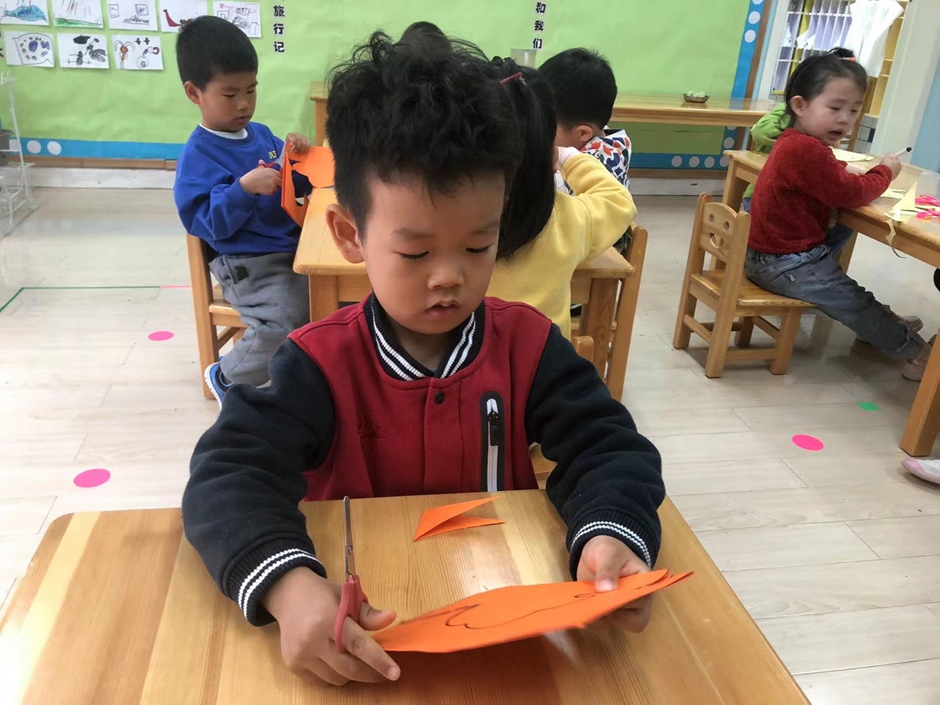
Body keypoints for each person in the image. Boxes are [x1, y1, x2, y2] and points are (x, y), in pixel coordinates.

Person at [182, 31, 664, 687]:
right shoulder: (319, 362)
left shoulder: (526, 345)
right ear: (350, 236)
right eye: (415, 252)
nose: (449, 277)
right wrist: (287, 585)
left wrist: (611, 533)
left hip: (502, 643)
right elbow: (226, 473)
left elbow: (609, 444)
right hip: (362, 643)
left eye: (479, 246)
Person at [745, 48, 931, 381]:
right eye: (835, 108)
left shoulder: (795, 141)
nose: (845, 119)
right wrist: (884, 172)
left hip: (773, 256)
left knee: (849, 267)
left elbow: (827, 178)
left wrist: (844, 173)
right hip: (786, 263)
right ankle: (917, 353)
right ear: (800, 105)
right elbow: (851, 194)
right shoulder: (805, 148)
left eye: (854, 110)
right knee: (855, 301)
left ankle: (882, 328)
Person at [174, 16, 312, 405]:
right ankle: (227, 376)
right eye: (230, 93)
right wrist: (243, 190)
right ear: (194, 92)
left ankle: (305, 373)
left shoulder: (262, 134)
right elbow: (204, 223)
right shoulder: (198, 154)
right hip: (248, 262)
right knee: (285, 320)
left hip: (290, 249)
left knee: (342, 298)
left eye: (251, 90)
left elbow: (296, 186)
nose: (244, 103)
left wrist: (297, 161)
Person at [487, 58, 636, 339]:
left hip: (470, 364)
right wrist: (567, 155)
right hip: (547, 362)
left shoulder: (450, 218)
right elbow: (618, 201)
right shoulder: (567, 219)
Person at [538, 48, 632, 192]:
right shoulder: (606, 137)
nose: (540, 130)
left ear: (583, 133)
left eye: (546, 125)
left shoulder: (590, 170)